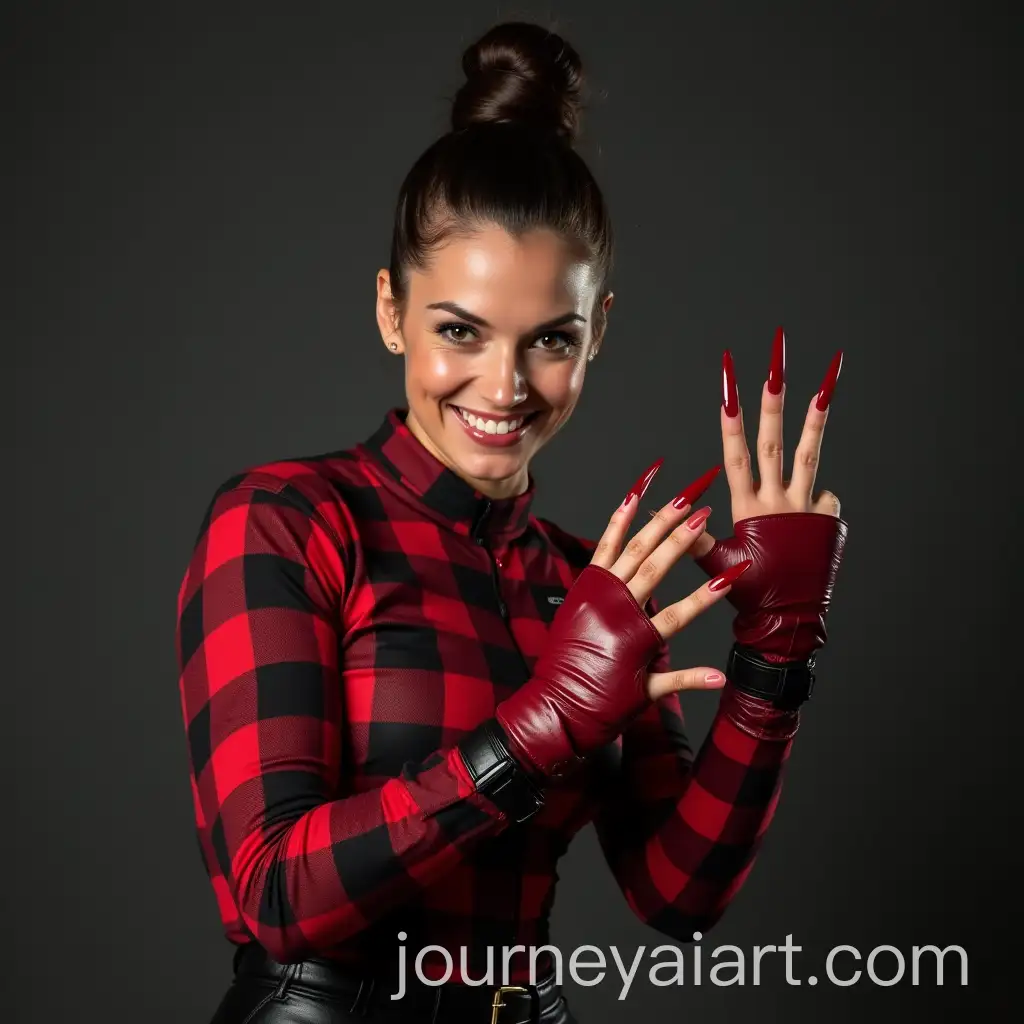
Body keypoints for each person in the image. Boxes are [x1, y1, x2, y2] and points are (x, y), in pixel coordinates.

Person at [175, 20, 848, 1024]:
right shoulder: (288, 522)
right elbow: (277, 893)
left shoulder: (592, 582)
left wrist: (773, 654)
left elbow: (678, 895)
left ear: (597, 332)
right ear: (391, 311)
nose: (503, 386)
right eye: (459, 330)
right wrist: (540, 726)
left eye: (550, 341)